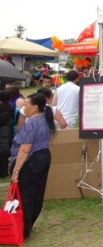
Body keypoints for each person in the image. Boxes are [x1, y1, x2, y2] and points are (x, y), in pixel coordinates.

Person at [9, 93, 54, 239]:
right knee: (37, 192)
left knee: (26, 194)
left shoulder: (31, 124)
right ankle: (31, 221)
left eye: (26, 105)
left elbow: (24, 150)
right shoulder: (45, 119)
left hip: (31, 160)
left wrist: (16, 171)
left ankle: (24, 227)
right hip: (43, 157)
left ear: (34, 107)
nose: (23, 108)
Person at [0, 90, 16, 178]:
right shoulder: (12, 108)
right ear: (10, 98)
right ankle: (4, 171)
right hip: (8, 131)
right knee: (6, 152)